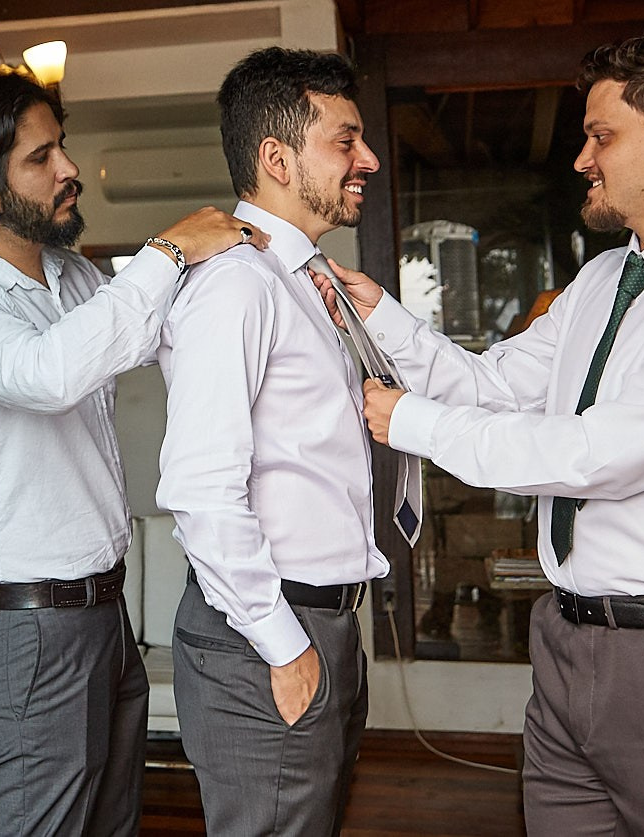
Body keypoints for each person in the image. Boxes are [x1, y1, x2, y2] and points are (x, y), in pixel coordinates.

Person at [345, 29, 644, 837]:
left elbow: (606, 454)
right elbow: (493, 382)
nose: (582, 159)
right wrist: (377, 309)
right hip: (568, 645)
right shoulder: (601, 280)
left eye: (602, 135)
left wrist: (411, 424)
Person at [0, 70, 266, 837]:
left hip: (104, 613)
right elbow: (50, 374)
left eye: (60, 145)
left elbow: (144, 336)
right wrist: (166, 249)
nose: (68, 168)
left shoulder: (72, 274)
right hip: (24, 629)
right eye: (42, 157)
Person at [156, 47, 388, 836]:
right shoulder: (237, 286)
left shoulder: (305, 281)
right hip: (265, 633)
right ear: (277, 157)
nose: (369, 159)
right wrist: (286, 647)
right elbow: (199, 487)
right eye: (345, 141)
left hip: (321, 620)